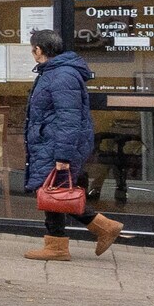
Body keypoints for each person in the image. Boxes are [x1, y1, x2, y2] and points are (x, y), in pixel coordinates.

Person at [21, 29, 124, 260]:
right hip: (50, 141)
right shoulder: (54, 72)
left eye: (32, 48)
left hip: (58, 144)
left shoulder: (62, 75)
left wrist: (63, 156)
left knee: (54, 192)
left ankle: (83, 235)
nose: (32, 53)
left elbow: (69, 118)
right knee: (52, 191)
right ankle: (62, 243)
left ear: (39, 50)